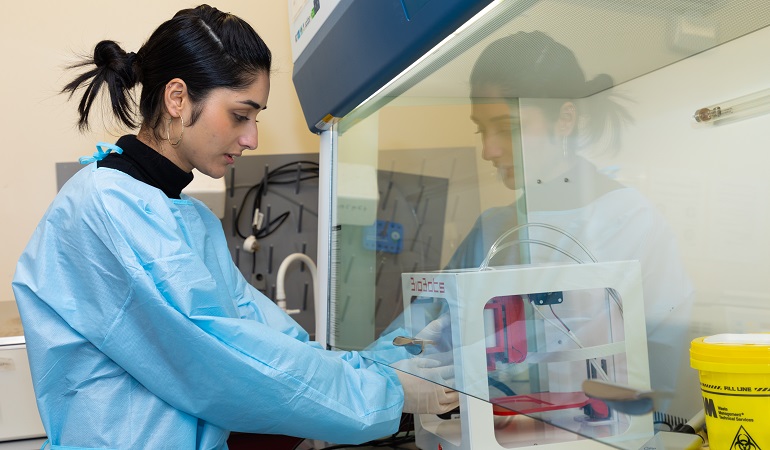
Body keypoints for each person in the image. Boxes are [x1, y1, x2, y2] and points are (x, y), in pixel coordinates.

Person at [12, 5, 457, 449]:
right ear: (178, 98)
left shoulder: (185, 217)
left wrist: (389, 359)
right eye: (240, 115)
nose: (252, 138)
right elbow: (226, 361)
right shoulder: (107, 209)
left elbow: (269, 341)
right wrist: (390, 392)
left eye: (256, 118)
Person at [448, 31, 695, 414]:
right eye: (482, 129)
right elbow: (429, 329)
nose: (489, 150)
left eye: (508, 127)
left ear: (565, 118)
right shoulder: (493, 229)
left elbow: (663, 371)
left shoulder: (631, 221)